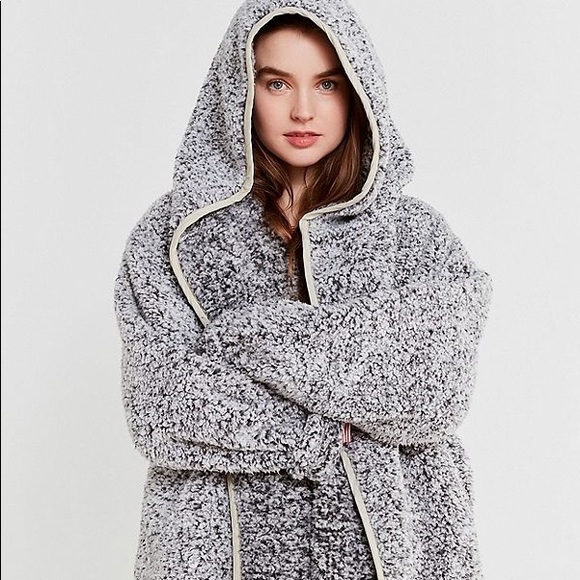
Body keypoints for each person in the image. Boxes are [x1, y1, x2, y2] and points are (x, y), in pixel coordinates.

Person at [114, 1, 493, 579]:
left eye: (327, 83)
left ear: (358, 91)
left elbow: (435, 388)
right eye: (276, 83)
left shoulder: (415, 233)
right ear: (238, 89)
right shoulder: (173, 235)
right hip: (215, 551)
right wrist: (334, 422)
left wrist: (250, 337)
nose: (302, 110)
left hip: (393, 552)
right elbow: (162, 404)